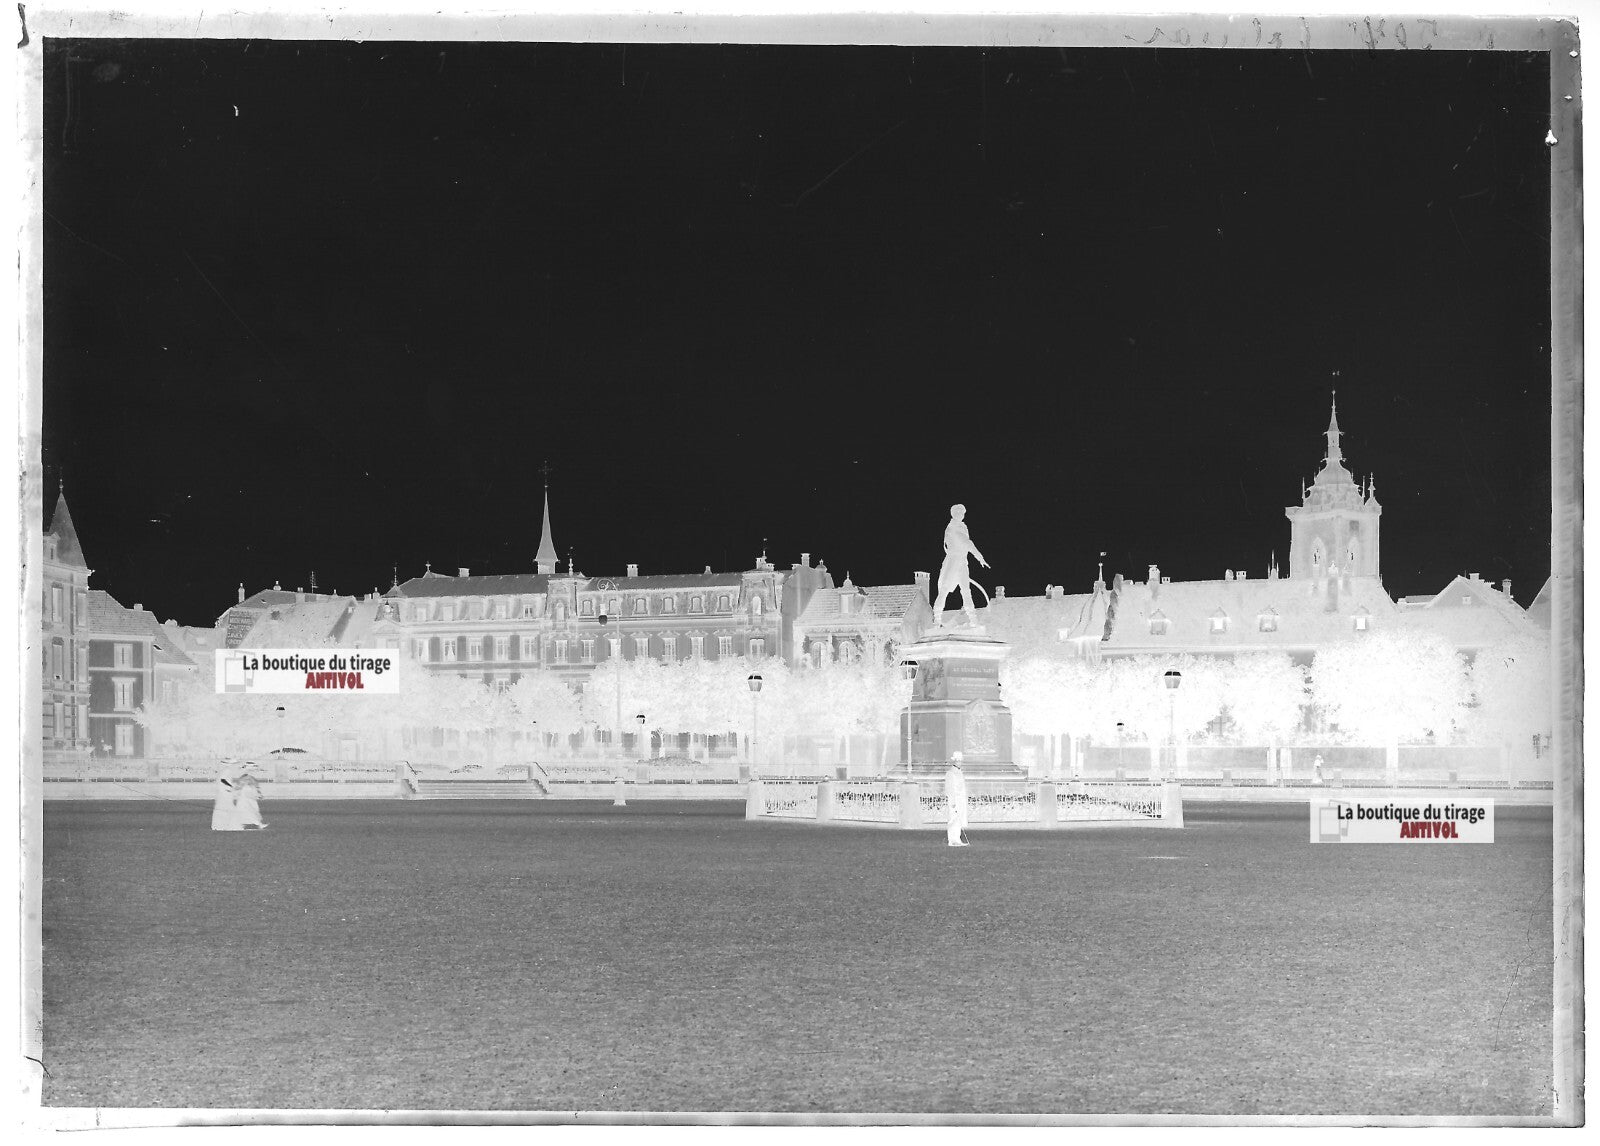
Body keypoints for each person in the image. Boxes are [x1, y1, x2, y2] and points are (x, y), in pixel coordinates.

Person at [931, 504, 990, 628]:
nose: (961, 515)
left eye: (962, 513)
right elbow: (967, 543)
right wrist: (979, 557)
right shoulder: (952, 527)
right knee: (944, 590)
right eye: (959, 512)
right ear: (954, 514)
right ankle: (936, 619)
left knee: (966, 591)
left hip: (962, 562)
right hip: (953, 561)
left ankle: (973, 620)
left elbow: (966, 544)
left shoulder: (962, 526)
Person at [945, 758, 970, 847]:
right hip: (955, 800)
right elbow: (949, 788)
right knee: (953, 818)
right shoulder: (951, 773)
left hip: (960, 800)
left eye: (960, 761)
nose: (959, 763)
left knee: (959, 819)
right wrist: (952, 801)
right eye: (958, 761)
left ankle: (957, 838)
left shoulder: (960, 773)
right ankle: (952, 840)